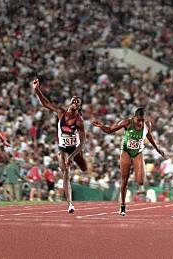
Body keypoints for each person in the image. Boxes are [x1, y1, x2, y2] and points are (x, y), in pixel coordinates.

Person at [92, 107, 165, 216]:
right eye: (138, 120)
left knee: (140, 181)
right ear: (134, 117)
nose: (140, 122)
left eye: (142, 120)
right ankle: (122, 205)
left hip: (138, 152)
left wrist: (157, 149)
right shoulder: (126, 122)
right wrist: (101, 126)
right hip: (126, 150)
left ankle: (142, 165)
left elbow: (149, 136)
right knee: (124, 179)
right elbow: (110, 130)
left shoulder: (146, 125)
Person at [32, 79, 87, 214]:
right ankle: (70, 204)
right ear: (70, 103)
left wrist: (73, 156)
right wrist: (37, 90)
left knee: (84, 168)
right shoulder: (60, 112)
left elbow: (83, 142)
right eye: (73, 100)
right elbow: (45, 103)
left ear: (79, 107)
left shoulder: (79, 121)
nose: (74, 103)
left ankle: (74, 161)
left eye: (77, 102)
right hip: (63, 148)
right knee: (65, 171)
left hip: (75, 148)